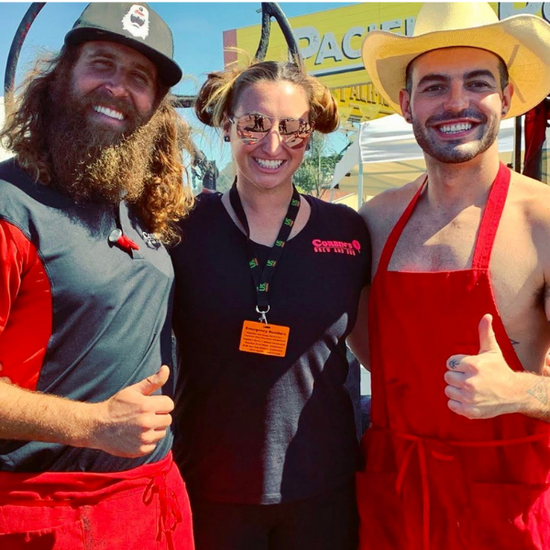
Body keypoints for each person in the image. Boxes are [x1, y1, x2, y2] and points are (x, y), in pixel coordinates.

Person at [348, 2, 550, 549]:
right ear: (406, 103)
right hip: (396, 499)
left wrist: (521, 391)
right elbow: (367, 342)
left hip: (506, 507)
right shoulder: (375, 220)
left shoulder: (544, 223)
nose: (456, 103)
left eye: (476, 83)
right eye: (435, 86)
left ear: (505, 99)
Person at [0, 3, 195, 548]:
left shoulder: (137, 203)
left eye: (138, 78)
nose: (117, 87)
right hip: (43, 514)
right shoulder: (9, 206)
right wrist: (93, 425)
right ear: (60, 75)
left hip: (151, 505)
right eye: (101, 64)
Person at [170, 59, 371, 550]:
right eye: (255, 124)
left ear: (310, 133)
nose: (273, 144)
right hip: (212, 486)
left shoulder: (347, 232)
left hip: (324, 487)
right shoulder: (179, 228)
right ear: (227, 127)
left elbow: (375, 347)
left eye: (293, 127)